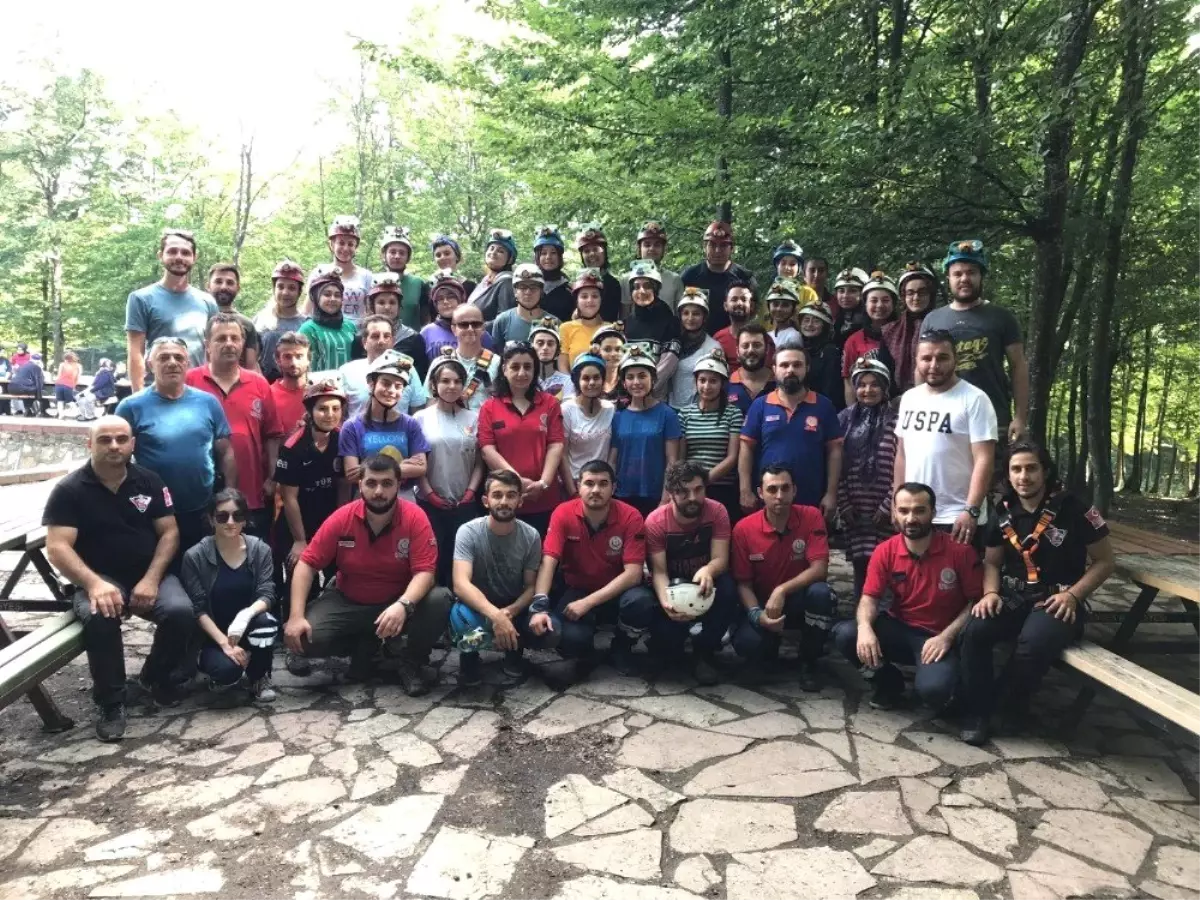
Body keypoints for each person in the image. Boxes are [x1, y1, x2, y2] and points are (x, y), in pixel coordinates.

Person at [44, 416, 192, 739]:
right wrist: (94, 584)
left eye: (121, 439)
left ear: (132, 444)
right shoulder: (69, 490)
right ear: (90, 444)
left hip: (147, 573)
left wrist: (152, 578)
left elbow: (169, 533)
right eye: (105, 439)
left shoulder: (150, 481)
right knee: (101, 617)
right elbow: (57, 547)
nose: (114, 446)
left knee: (181, 612)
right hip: (97, 577)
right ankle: (111, 701)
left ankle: (154, 675)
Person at [959, 441, 1115, 744]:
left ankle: (1008, 705)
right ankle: (977, 712)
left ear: (1045, 471)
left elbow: (1105, 561)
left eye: (1031, 468)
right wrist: (990, 593)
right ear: (1008, 474)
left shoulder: (1074, 508)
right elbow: (992, 562)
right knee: (974, 631)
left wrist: (1074, 595)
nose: (1023, 476)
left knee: (1033, 643)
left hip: (1060, 600)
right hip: (1014, 596)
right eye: (1016, 469)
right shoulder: (1002, 510)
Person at [285, 454, 452, 694]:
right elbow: (307, 564)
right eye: (371, 483)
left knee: (440, 599)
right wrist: (295, 616)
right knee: (303, 638)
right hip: (348, 599)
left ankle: (412, 662)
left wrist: (403, 605)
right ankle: (366, 646)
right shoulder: (343, 517)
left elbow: (425, 572)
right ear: (360, 484)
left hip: (398, 601)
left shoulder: (415, 517)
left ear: (398, 484)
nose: (379, 491)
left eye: (387, 483)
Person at [833, 482, 982, 710]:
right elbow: (869, 598)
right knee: (846, 634)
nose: (911, 518)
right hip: (899, 628)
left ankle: (952, 683)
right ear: (894, 513)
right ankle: (888, 684)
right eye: (903, 511)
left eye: (919, 510)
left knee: (934, 692)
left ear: (933, 512)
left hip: (939, 637)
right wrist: (864, 627)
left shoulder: (959, 551)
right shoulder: (885, 550)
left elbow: (975, 602)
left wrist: (947, 637)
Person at [532, 459, 652, 677]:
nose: (596, 490)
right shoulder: (563, 513)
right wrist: (539, 606)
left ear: (614, 488)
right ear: (578, 486)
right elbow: (549, 560)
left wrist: (587, 603)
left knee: (641, 602)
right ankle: (586, 652)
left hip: (618, 592)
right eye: (589, 483)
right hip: (578, 588)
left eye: (603, 483)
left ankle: (621, 648)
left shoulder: (631, 516)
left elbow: (634, 574)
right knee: (567, 639)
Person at [117, 337, 236, 555]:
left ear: (187, 363)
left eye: (178, 357)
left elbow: (226, 451)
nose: (172, 362)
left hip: (200, 508)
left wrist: (228, 494)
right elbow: (117, 458)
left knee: (201, 572)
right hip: (153, 513)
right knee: (159, 574)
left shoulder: (208, 402)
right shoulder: (130, 407)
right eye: (163, 357)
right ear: (150, 364)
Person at [450, 469, 561, 686]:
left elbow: (531, 586)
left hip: (515, 606)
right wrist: (495, 616)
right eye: (497, 495)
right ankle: (470, 657)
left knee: (550, 633)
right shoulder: (468, 532)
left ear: (520, 501)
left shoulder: (531, 535)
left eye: (511, 495)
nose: (504, 501)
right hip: (478, 606)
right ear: (485, 500)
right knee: (459, 614)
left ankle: (514, 652)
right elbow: (460, 583)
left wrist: (509, 613)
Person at [730, 465, 835, 691]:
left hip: (797, 600)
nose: (779, 495)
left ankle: (809, 661)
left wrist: (782, 590)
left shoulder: (811, 516)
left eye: (785, 488)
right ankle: (766, 650)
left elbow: (820, 569)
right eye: (772, 489)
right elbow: (743, 583)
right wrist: (757, 615)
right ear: (760, 493)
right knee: (747, 645)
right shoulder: (743, 529)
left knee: (821, 594)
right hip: (762, 603)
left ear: (794, 490)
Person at [634, 461, 738, 684]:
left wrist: (709, 569)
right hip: (671, 585)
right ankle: (668, 646)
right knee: (669, 641)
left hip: (705, 583)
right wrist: (667, 604)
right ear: (671, 493)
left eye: (698, 490)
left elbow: (721, 559)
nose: (693, 497)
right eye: (683, 491)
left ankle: (705, 653)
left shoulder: (717, 511)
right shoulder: (655, 522)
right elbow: (659, 571)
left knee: (728, 588)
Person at [185, 314, 285, 537]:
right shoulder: (189, 382)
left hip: (252, 495)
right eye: (221, 338)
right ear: (207, 345)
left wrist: (272, 478)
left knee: (255, 560)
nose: (229, 343)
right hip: (201, 495)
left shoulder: (259, 383)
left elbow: (272, 435)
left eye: (235, 338)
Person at [894, 330, 996, 545]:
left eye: (942, 358)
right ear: (917, 360)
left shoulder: (975, 399)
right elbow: (902, 454)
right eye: (926, 358)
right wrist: (898, 503)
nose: (933, 365)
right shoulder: (910, 399)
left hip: (957, 515)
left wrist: (972, 510)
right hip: (916, 512)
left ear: (955, 359)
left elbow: (984, 459)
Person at [923, 239, 1030, 443]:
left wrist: (1020, 417)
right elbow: (922, 368)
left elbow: (1018, 367)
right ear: (948, 278)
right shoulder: (933, 319)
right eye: (958, 274)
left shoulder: (1002, 317)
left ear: (981, 276)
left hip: (992, 420)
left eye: (971, 272)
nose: (964, 279)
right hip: (944, 421)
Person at [182, 489, 278, 704]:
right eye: (222, 516)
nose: (230, 522)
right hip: (214, 636)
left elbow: (267, 592)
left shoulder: (260, 550)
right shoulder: (195, 556)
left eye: (238, 516)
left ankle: (259, 676)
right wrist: (225, 643)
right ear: (211, 519)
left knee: (266, 623)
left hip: (248, 628)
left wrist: (246, 615)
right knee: (227, 674)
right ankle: (216, 668)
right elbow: (198, 608)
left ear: (245, 520)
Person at [739, 336, 842, 517]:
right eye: (784, 365)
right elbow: (746, 448)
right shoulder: (760, 405)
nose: (790, 370)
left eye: (797, 365)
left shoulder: (824, 405)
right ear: (774, 369)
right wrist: (745, 490)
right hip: (768, 500)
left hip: (811, 500)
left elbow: (834, 451)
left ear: (807, 368)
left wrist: (831, 494)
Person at [275, 380, 347, 620]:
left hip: (330, 521)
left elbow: (344, 487)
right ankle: (292, 629)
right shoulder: (293, 446)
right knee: (300, 574)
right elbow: (289, 496)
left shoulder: (343, 440)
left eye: (335, 408)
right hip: (298, 523)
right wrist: (300, 540)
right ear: (310, 412)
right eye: (323, 409)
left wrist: (342, 528)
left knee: (340, 575)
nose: (330, 415)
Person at [478, 342, 565, 535]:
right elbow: (487, 450)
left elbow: (556, 445)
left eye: (528, 367)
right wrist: (516, 482)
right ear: (504, 369)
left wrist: (543, 483)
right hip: (504, 500)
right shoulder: (489, 407)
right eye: (515, 367)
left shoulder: (549, 403)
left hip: (544, 497)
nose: (521, 373)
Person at [415, 355, 483, 586]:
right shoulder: (421, 418)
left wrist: (471, 493)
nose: (451, 386)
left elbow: (480, 462)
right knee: (432, 557)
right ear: (434, 385)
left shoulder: (474, 418)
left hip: (465, 501)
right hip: (429, 502)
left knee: (461, 558)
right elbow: (417, 462)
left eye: (456, 381)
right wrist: (430, 495)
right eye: (445, 381)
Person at [125, 229, 218, 390]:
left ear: (194, 258)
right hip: (156, 391)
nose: (179, 257)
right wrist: (138, 397)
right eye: (172, 251)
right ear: (161, 255)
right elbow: (135, 353)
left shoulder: (207, 301)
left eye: (185, 253)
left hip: (197, 391)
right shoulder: (141, 298)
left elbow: (212, 352)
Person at [838, 357, 899, 600]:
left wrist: (888, 504)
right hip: (854, 505)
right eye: (861, 384)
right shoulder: (844, 420)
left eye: (874, 384)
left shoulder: (898, 419)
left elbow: (902, 463)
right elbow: (836, 464)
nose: (867, 390)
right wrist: (843, 502)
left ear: (885, 388)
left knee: (887, 564)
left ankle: (886, 620)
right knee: (861, 566)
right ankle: (859, 620)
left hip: (885, 506)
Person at [339, 352, 429, 500]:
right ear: (371, 384)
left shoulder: (410, 424)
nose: (392, 391)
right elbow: (351, 474)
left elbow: (420, 467)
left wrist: (367, 468)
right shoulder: (352, 427)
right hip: (365, 497)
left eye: (398, 386)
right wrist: (401, 466)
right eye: (386, 383)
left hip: (404, 497)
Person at [610, 347, 682, 517]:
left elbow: (672, 461)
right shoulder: (618, 416)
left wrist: (666, 498)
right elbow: (612, 460)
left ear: (653, 378)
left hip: (655, 495)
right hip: (622, 495)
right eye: (630, 377)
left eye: (642, 376)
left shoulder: (667, 414)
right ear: (623, 382)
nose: (636, 382)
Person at [679, 350, 743, 514]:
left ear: (722, 384)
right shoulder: (684, 414)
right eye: (702, 380)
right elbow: (681, 457)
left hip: (722, 488)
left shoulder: (733, 413)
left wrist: (704, 480)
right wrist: (692, 483)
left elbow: (732, 457)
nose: (707, 386)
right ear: (695, 382)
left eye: (713, 381)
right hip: (689, 488)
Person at [341, 316, 429, 419]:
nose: (381, 341)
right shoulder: (347, 371)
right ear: (364, 342)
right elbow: (339, 414)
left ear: (393, 342)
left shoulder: (408, 369)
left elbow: (417, 409)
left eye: (386, 336)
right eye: (375, 336)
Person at [680, 222, 758, 336]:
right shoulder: (690, 276)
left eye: (723, 246)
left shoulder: (745, 277)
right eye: (712, 245)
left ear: (732, 248)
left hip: (735, 341)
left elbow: (754, 313)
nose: (717, 250)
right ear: (704, 247)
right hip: (698, 342)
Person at [423, 306, 501, 411]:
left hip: (484, 425)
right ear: (454, 329)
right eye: (463, 325)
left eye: (476, 324)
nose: (470, 329)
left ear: (483, 328)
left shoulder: (497, 362)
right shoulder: (440, 363)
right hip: (449, 424)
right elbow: (431, 401)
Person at [560, 352, 615, 497]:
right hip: (575, 482)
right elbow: (562, 454)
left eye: (596, 378)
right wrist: (572, 490)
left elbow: (612, 452)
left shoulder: (611, 409)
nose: (592, 383)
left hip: (601, 484)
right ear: (577, 381)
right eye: (586, 378)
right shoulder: (567, 410)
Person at [355, 273, 430, 378]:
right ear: (372, 306)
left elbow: (420, 375)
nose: (387, 307)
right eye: (381, 302)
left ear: (399, 307)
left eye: (392, 302)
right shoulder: (361, 337)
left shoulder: (413, 338)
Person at [840, 271, 898, 407]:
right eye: (873, 300)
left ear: (893, 304)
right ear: (865, 304)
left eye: (885, 300)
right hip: (865, 407)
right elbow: (848, 382)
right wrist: (852, 414)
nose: (879, 305)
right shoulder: (854, 341)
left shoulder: (903, 336)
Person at [624, 261, 681, 393]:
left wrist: (644, 389)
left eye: (647, 286)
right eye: (636, 287)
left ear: (656, 289)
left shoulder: (670, 322)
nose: (641, 291)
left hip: (655, 398)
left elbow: (668, 363)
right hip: (627, 398)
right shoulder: (625, 323)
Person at [882, 262, 939, 390]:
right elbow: (885, 370)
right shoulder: (890, 331)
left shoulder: (943, 324)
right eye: (910, 293)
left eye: (922, 292)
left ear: (931, 294)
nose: (916, 297)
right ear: (903, 296)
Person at [423, 270, 495, 360]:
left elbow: (490, 358)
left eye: (451, 296)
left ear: (460, 298)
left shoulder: (476, 330)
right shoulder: (427, 332)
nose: (445, 301)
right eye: (440, 299)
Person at [255, 260, 308, 382]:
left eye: (291, 288)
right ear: (274, 289)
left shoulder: (305, 324)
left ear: (299, 292)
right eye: (280, 287)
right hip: (265, 386)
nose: (285, 292)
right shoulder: (261, 321)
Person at [298, 265, 357, 372]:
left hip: (348, 387)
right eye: (327, 294)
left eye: (337, 295)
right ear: (316, 297)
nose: (333, 299)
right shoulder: (308, 329)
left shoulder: (350, 327)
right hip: (317, 386)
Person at [669, 289, 722, 408]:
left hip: (699, 412)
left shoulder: (712, 347)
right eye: (686, 313)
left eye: (696, 313)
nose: (690, 318)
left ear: (704, 317)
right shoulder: (672, 343)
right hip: (672, 407)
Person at [621, 221, 683, 313]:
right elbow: (624, 316)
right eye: (647, 244)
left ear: (664, 249)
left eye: (657, 245)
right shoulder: (626, 280)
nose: (652, 248)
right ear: (639, 249)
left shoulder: (674, 279)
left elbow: (680, 316)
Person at [207, 263, 260, 371]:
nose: (224, 286)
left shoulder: (247, 324)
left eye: (230, 283)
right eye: (218, 281)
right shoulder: (200, 318)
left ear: (238, 287)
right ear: (208, 286)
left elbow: (252, 366)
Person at [491, 263, 559, 346]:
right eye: (522, 287)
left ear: (541, 291)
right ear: (515, 291)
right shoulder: (503, 320)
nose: (528, 292)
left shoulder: (552, 321)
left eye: (533, 287)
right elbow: (496, 355)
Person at [378, 226, 431, 330]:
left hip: (411, 342)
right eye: (392, 252)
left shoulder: (418, 284)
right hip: (380, 339)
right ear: (384, 255)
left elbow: (426, 317)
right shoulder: (374, 281)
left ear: (408, 257)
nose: (397, 256)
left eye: (402, 253)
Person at [324, 216, 373, 323]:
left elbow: (371, 311)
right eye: (341, 243)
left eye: (350, 244)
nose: (346, 248)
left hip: (357, 334)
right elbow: (308, 310)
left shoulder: (366, 276)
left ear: (356, 247)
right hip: (327, 332)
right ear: (332, 244)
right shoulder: (320, 272)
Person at [797, 302, 845, 410]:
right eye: (806, 320)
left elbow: (830, 392)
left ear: (825, 325)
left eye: (816, 320)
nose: (809, 324)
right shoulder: (799, 349)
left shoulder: (830, 352)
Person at [557, 270, 606, 369]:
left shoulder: (609, 329)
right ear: (577, 301)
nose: (590, 300)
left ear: (601, 299)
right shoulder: (565, 328)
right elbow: (562, 366)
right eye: (584, 296)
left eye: (595, 296)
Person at [574, 223, 622, 321]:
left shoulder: (614, 284)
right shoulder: (576, 284)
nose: (592, 254)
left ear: (605, 252)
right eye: (587, 251)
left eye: (596, 249)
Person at [726, 324, 776, 416]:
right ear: (737, 351)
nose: (751, 350)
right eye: (745, 346)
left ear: (767, 349)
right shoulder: (726, 385)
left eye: (757, 345)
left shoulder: (780, 383)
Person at [469, 228, 517, 322]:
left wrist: (477, 328)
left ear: (510, 259)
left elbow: (504, 320)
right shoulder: (485, 281)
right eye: (491, 248)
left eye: (500, 251)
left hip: (488, 336)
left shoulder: (506, 282)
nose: (493, 253)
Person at [714, 280, 766, 364]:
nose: (739, 303)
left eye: (744, 299)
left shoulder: (763, 339)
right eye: (734, 299)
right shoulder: (718, 339)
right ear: (726, 306)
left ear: (751, 305)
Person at [270, 332, 312, 436]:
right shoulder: (268, 395)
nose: (294, 363)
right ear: (278, 360)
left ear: (308, 359)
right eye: (287, 357)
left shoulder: (319, 392)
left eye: (299, 356)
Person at [533, 225, 575, 321]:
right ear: (537, 257)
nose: (548, 257)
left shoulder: (569, 291)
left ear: (559, 257)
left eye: (553, 253)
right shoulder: (529, 286)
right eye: (543, 253)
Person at [530, 318, 574, 399]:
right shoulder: (525, 378)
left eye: (550, 344)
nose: (545, 347)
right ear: (531, 347)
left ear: (558, 351)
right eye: (540, 343)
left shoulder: (567, 381)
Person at [831, 267, 869, 348]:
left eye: (852, 291)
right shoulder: (835, 317)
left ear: (863, 294)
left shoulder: (870, 322)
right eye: (841, 291)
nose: (845, 296)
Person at [763, 280, 802, 345]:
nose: (779, 309)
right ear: (769, 307)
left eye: (785, 305)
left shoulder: (793, 337)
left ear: (793, 309)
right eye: (775, 304)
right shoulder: (768, 335)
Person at [594, 322, 626, 399]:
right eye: (607, 349)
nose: (613, 354)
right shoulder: (588, 383)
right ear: (597, 351)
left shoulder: (629, 384)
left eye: (618, 349)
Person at [53, 350, 81, 417]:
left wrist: (54, 380)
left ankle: (61, 415)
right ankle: (78, 412)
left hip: (59, 384)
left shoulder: (62, 364)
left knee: (60, 401)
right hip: (68, 385)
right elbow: (77, 377)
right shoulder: (78, 366)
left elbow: (59, 376)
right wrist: (74, 385)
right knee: (70, 401)